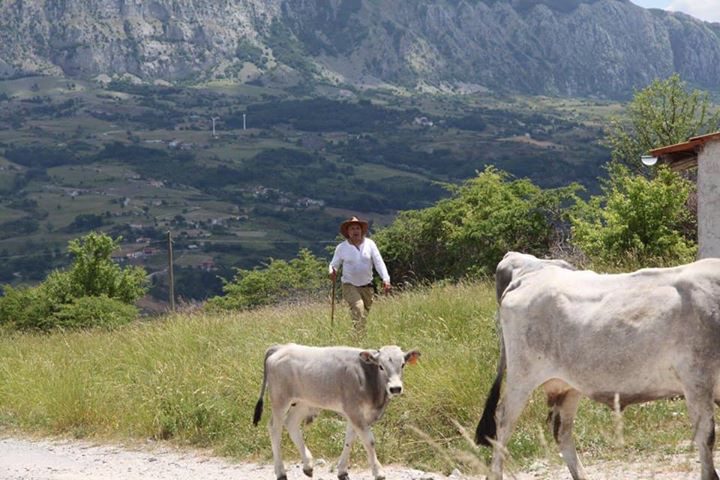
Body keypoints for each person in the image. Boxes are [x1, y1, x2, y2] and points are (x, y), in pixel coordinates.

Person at [329, 216, 391, 331]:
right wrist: (332, 271)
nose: (355, 231)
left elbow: (379, 262)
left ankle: (357, 335)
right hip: (349, 285)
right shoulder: (341, 247)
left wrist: (386, 279)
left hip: (367, 286)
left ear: (362, 230)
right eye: (352, 229)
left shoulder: (370, 244)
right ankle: (358, 339)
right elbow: (334, 264)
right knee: (358, 308)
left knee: (363, 315)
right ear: (347, 232)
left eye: (357, 228)